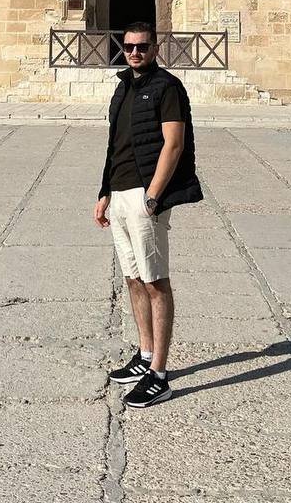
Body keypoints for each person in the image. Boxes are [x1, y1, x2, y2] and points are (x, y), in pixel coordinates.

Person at [94, 21, 202, 409]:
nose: (135, 52)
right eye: (129, 47)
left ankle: (159, 373)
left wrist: (153, 196)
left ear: (155, 49)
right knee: (133, 278)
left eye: (142, 46)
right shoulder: (123, 87)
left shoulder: (167, 87)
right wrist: (104, 191)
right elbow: (115, 145)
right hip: (120, 193)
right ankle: (144, 355)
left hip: (144, 196)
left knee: (155, 281)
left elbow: (174, 144)